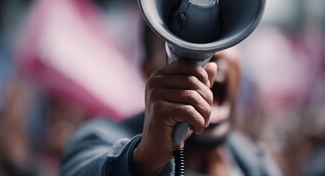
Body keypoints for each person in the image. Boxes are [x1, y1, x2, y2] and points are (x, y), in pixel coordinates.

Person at [60, 25, 282, 176]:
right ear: (148, 71)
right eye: (182, 45)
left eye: (223, 35)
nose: (207, 53)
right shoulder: (98, 138)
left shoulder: (256, 164)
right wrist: (145, 159)